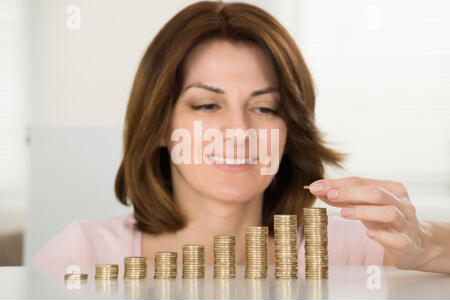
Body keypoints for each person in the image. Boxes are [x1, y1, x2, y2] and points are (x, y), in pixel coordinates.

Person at [28, 1, 450, 274]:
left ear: (289, 132)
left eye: (265, 108)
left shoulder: (353, 247)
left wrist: (426, 244)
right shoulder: (82, 253)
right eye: (207, 105)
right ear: (159, 126)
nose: (240, 131)